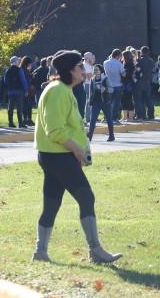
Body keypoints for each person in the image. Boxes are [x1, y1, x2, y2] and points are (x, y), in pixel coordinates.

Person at [32, 50, 122, 264]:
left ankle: (40, 252)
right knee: (86, 197)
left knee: (52, 204)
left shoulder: (62, 89)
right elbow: (54, 130)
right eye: (81, 67)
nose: (84, 70)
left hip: (55, 156)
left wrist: (80, 148)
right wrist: (77, 149)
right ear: (70, 70)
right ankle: (96, 251)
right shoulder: (58, 91)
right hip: (59, 157)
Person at [86, 64, 115, 142]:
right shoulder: (92, 79)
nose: (95, 71)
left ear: (101, 71)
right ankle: (89, 136)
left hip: (105, 102)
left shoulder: (105, 79)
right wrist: (90, 100)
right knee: (93, 120)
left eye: (97, 70)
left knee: (109, 119)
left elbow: (112, 90)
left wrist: (105, 89)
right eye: (94, 70)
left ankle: (111, 135)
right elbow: (91, 91)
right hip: (96, 102)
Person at [102, 49, 125, 123]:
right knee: (116, 103)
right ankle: (115, 118)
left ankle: (106, 117)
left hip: (108, 85)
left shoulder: (105, 62)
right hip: (117, 84)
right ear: (118, 56)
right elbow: (123, 74)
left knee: (108, 102)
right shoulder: (119, 64)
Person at [134, 47, 155, 120]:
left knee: (139, 99)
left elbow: (137, 71)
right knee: (149, 99)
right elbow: (153, 70)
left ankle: (141, 115)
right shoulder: (151, 61)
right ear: (148, 52)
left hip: (139, 82)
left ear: (141, 52)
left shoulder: (139, 61)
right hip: (148, 82)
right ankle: (151, 115)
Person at [120, 50, 136, 121]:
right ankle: (125, 117)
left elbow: (127, 74)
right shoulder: (125, 64)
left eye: (123, 56)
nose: (122, 58)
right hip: (126, 84)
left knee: (128, 100)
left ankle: (130, 117)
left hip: (128, 84)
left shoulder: (129, 64)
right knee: (124, 100)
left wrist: (122, 73)